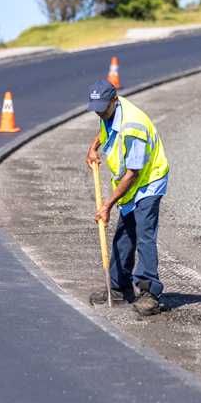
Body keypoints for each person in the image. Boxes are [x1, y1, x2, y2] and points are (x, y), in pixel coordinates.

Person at [85, 79, 169, 316]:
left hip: (148, 182)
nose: (100, 112)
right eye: (96, 108)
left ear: (115, 99)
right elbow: (104, 129)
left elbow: (133, 173)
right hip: (132, 185)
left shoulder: (133, 125)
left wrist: (107, 205)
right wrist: (93, 148)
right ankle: (119, 289)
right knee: (123, 236)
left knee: (144, 236)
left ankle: (150, 294)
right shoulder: (109, 113)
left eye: (103, 106)